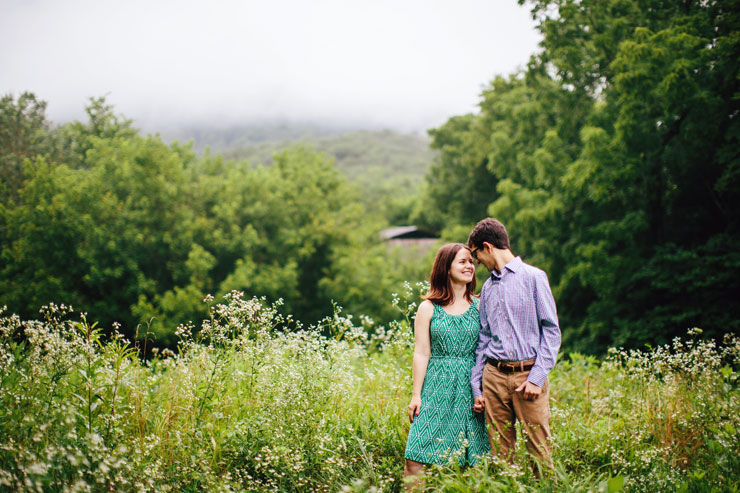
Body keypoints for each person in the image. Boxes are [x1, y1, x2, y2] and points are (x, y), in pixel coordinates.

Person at [468, 218, 560, 472]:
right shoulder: (487, 289)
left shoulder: (534, 277)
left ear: (487, 246)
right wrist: (477, 385)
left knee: (539, 451)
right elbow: (484, 339)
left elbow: (551, 332)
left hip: (528, 376)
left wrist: (537, 378)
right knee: (499, 454)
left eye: (476, 255)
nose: (477, 263)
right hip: (494, 377)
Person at [403, 243, 490, 486]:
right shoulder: (428, 307)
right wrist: (416, 395)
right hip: (436, 385)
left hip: (470, 386)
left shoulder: (480, 306)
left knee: (471, 460)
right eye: (462, 261)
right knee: (415, 455)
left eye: (471, 261)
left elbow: (485, 350)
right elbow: (421, 352)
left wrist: (481, 392)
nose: (469, 266)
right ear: (445, 266)